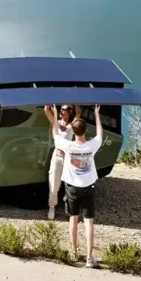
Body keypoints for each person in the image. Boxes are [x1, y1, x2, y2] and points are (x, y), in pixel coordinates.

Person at [52, 104, 103, 268]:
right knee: (89, 222)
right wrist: (96, 114)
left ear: (73, 132)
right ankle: (89, 258)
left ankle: (74, 252)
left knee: (73, 219)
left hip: (72, 187)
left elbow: (55, 133)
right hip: (88, 186)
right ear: (85, 131)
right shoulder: (91, 146)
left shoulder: (68, 146)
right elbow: (100, 134)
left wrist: (55, 114)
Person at [43, 104, 77, 220]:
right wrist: (50, 103)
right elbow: (46, 110)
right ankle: (52, 207)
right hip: (57, 156)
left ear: (69, 112)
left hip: (68, 157)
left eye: (65, 109)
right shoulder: (56, 122)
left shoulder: (72, 125)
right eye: (61, 109)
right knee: (54, 181)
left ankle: (70, 209)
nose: (62, 111)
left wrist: (76, 101)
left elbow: (78, 113)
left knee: (70, 184)